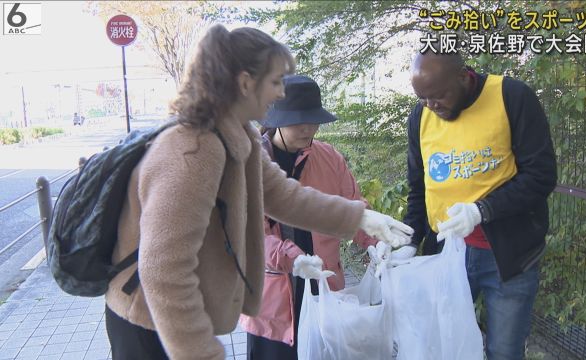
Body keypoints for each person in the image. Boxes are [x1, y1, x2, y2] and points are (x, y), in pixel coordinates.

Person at [103, 24, 413, 360]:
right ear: (245, 82)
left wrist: (361, 217)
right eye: (276, 81)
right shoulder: (191, 150)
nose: (282, 94)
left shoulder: (240, 138)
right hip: (150, 321)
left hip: (180, 313)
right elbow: (164, 271)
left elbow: (286, 196)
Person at [374, 49, 557, 360]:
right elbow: (420, 188)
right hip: (446, 255)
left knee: (504, 350)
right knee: (442, 345)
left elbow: (541, 175)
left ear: (463, 76)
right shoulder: (422, 116)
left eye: (439, 95)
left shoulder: (510, 96)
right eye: (423, 98)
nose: (432, 105)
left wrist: (480, 210)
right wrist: (410, 240)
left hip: (507, 256)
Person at [238, 75, 379, 359]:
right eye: (298, 120)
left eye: (313, 120)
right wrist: (292, 258)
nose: (308, 128)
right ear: (276, 118)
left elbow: (352, 207)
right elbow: (247, 236)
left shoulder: (329, 157)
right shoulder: (249, 164)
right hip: (272, 302)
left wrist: (377, 242)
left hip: (323, 288)